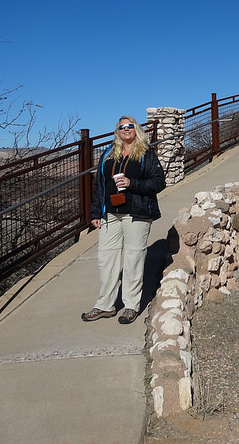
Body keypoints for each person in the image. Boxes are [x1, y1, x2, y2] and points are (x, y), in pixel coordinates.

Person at [81, 115, 166, 324]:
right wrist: (95, 213)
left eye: (129, 126)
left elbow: (158, 182)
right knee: (106, 259)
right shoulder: (109, 154)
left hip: (136, 213)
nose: (126, 129)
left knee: (133, 259)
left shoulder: (146, 153)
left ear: (136, 129)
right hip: (110, 213)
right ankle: (105, 305)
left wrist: (131, 183)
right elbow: (99, 185)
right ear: (117, 131)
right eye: (121, 127)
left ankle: (131, 306)